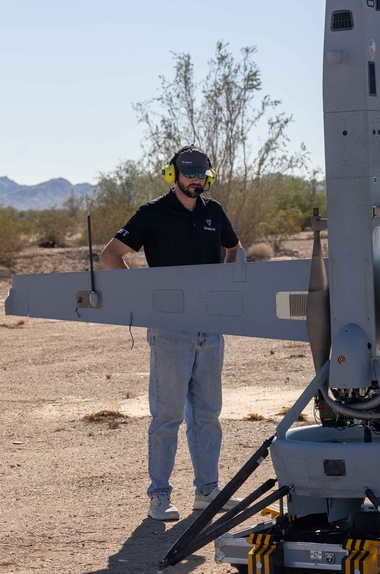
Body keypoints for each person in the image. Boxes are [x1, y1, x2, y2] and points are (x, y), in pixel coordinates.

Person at [100, 145, 243, 521]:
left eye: (201, 174)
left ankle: (207, 491)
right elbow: (110, 256)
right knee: (167, 416)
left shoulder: (214, 212)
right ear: (172, 174)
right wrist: (143, 295)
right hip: (170, 330)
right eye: (188, 173)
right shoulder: (152, 213)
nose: (195, 180)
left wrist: (225, 286)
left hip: (210, 327)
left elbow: (234, 248)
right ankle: (159, 496)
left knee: (208, 415)